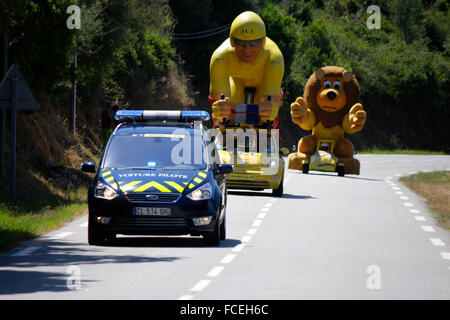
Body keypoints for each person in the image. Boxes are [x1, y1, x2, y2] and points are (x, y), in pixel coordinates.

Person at [209, 11, 284, 127]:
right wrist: (219, 114)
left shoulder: (274, 58)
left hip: (263, 85)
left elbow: (272, 104)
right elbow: (217, 112)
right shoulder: (220, 58)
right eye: (240, 42)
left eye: (254, 43)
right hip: (236, 84)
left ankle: (265, 141)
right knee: (223, 115)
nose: (247, 50)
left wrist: (270, 115)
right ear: (232, 41)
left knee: (267, 117)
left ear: (263, 42)